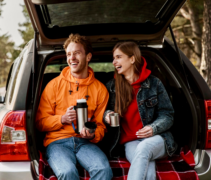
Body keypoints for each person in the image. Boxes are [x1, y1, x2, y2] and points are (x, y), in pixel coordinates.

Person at [36, 34, 112, 180]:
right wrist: (62, 119)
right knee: (67, 172)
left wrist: (92, 134)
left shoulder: (100, 89)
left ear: (88, 57)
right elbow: (39, 123)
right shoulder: (54, 85)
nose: (72, 58)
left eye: (77, 53)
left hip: (85, 143)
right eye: (69, 54)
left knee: (103, 169)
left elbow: (101, 126)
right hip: (57, 142)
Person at [104, 42, 177, 180]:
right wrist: (107, 115)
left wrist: (153, 128)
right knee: (149, 173)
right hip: (131, 142)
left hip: (157, 138)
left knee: (144, 148)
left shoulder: (154, 83)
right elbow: (102, 110)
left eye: (118, 57)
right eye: (113, 58)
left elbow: (167, 115)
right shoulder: (111, 87)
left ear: (132, 59)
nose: (114, 62)